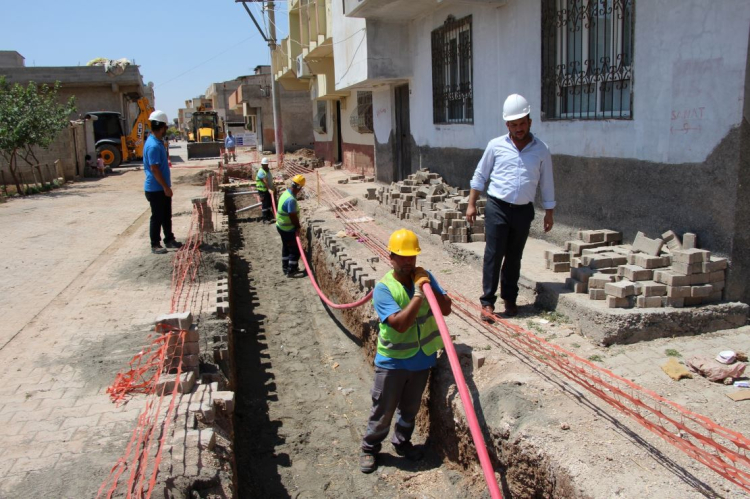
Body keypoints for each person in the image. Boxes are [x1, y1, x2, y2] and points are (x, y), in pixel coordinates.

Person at [359, 229, 452, 474]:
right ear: (391, 257)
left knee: (410, 410)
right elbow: (400, 325)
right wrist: (420, 295)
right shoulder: (384, 289)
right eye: (402, 257)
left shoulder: (425, 277)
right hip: (393, 362)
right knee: (384, 409)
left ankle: (402, 442)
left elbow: (446, 310)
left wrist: (430, 286)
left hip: (422, 360)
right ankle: (370, 447)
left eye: (412, 256)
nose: (408, 262)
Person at [466, 94, 555, 320]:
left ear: (530, 122)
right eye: (514, 124)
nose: (519, 128)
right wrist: (471, 203)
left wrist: (549, 212)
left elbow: (547, 182)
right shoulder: (495, 146)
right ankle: (487, 302)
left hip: (524, 210)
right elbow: (480, 174)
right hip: (497, 207)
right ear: (507, 125)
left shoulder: (541, 149)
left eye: (522, 123)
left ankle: (510, 298)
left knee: (514, 256)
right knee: (493, 255)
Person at [144, 110, 183, 254]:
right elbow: (154, 169)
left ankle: (169, 239)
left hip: (161, 188)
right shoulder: (153, 145)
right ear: (161, 127)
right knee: (157, 216)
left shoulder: (157, 142)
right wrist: (165, 187)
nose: (166, 130)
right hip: (156, 189)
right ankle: (155, 244)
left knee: (166, 215)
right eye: (165, 127)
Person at [276, 174, 306, 277]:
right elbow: (292, 216)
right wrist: (297, 227)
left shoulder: (286, 194)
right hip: (287, 228)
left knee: (286, 247)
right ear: (299, 187)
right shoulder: (291, 200)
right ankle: (291, 270)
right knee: (295, 250)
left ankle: (285, 267)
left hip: (281, 226)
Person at [256, 156, 275, 224]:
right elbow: (265, 181)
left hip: (267, 190)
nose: (265, 166)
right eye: (264, 165)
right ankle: (265, 219)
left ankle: (269, 217)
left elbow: (269, 179)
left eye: (266, 165)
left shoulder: (267, 170)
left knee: (269, 204)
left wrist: (272, 187)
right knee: (265, 204)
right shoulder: (261, 171)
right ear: (262, 165)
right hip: (262, 191)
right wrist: (269, 189)